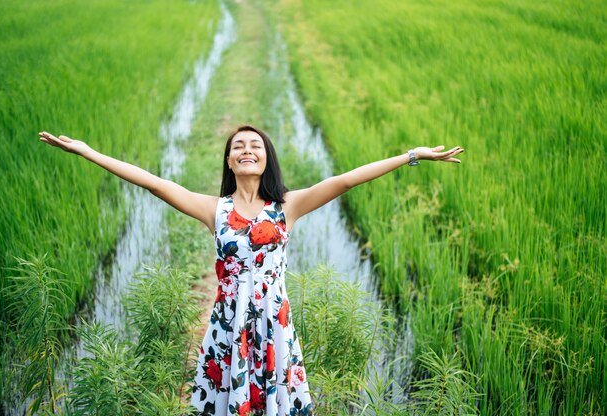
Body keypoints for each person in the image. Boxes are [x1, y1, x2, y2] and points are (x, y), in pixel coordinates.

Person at [38, 125, 463, 415]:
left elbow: (346, 180)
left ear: (266, 159)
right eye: (238, 145)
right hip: (228, 324)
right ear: (228, 160)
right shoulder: (214, 210)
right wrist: (88, 152)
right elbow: (152, 182)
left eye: (255, 145)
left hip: (274, 325)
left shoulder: (287, 207)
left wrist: (411, 156)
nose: (246, 149)